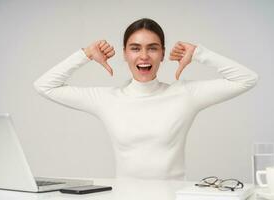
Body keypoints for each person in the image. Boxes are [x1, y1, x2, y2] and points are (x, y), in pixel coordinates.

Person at [34, 18, 258, 180]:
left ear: (162, 53)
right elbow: (45, 85)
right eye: (135, 48)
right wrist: (85, 54)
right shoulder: (108, 99)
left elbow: (247, 79)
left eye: (152, 48)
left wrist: (199, 53)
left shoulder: (184, 95)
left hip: (172, 196)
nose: (143, 56)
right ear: (125, 54)